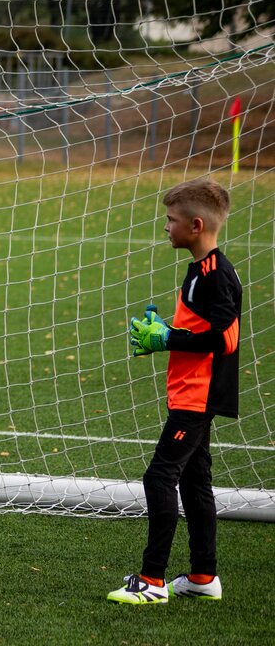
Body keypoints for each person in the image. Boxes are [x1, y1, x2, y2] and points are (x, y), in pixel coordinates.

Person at [108, 178, 241, 605]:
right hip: (189, 392)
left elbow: (225, 339)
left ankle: (152, 580)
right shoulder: (199, 270)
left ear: (196, 225)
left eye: (171, 220)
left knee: (159, 476)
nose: (166, 227)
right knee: (194, 481)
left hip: (197, 396)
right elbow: (201, 329)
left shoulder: (216, 274)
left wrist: (168, 339)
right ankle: (203, 576)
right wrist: (165, 331)